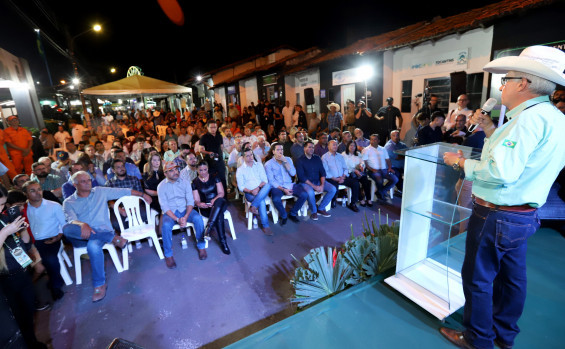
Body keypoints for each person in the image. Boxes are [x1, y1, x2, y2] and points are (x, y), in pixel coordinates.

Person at [440, 45, 565, 349]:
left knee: (478, 279)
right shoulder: (551, 117)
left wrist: (459, 162)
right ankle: (502, 336)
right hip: (522, 216)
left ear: (524, 82)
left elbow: (501, 171)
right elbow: (519, 158)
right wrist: (489, 128)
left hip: (496, 214)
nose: (501, 85)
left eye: (506, 79)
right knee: (512, 280)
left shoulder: (527, 120)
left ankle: (478, 340)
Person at [63, 171, 150, 302]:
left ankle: (99, 284)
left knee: (93, 247)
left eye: (88, 180)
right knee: (67, 229)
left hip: (100, 232)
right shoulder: (69, 202)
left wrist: (143, 194)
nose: (88, 183)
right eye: (83, 181)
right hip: (83, 234)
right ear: (75, 185)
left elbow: (123, 191)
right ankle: (113, 238)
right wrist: (83, 224)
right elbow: (71, 220)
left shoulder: (99, 191)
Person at [0, 185, 48, 349]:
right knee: (17, 318)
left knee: (29, 312)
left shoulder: (4, 218)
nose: (2, 208)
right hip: (6, 279)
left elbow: (25, 243)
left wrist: (22, 230)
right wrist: (5, 232)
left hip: (22, 271)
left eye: (4, 204)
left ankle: (32, 342)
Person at [158, 161, 206, 268]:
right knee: (165, 226)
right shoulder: (161, 186)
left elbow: (190, 202)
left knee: (198, 218)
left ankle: (201, 246)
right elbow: (164, 207)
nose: (175, 172)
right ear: (165, 173)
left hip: (185, 209)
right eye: (171, 170)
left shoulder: (185, 182)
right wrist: (177, 219)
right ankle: (168, 254)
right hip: (171, 212)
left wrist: (185, 217)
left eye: (176, 169)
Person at [23, 181, 66, 302]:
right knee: (24, 265)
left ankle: (55, 286)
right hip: (32, 243)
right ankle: (31, 291)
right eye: (32, 190)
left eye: (39, 189)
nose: (38, 193)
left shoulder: (53, 206)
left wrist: (58, 236)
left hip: (51, 239)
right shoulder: (24, 209)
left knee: (50, 259)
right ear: (25, 194)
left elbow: (64, 224)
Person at [192, 160, 230, 255]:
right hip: (207, 208)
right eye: (200, 170)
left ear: (208, 168)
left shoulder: (215, 177)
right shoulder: (195, 182)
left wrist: (214, 199)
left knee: (219, 201)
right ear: (197, 170)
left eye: (205, 169)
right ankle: (223, 242)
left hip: (219, 203)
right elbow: (196, 200)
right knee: (219, 215)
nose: (203, 172)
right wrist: (199, 204)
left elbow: (221, 193)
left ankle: (208, 228)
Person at [264, 142, 308, 224]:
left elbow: (292, 173)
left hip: (289, 184)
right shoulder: (268, 164)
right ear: (273, 151)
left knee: (304, 194)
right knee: (276, 199)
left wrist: (285, 161)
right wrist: (284, 189)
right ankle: (283, 215)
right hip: (278, 186)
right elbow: (271, 181)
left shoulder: (288, 159)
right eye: (278, 150)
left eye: (282, 149)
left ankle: (293, 213)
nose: (280, 152)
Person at [236, 147, 273, 236]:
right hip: (249, 193)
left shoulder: (259, 165)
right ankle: (265, 226)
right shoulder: (240, 170)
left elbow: (265, 180)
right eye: (247, 156)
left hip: (261, 190)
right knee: (262, 202)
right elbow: (241, 187)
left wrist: (257, 189)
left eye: (251, 155)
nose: (250, 157)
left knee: (268, 185)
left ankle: (253, 206)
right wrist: (251, 191)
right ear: (243, 157)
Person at [295, 140, 336, 220]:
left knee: (333, 189)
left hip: (317, 180)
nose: (311, 149)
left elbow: (323, 172)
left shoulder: (317, 158)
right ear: (304, 148)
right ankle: (314, 211)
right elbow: (301, 177)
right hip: (305, 183)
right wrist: (315, 187)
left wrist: (322, 185)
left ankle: (321, 208)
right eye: (309, 147)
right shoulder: (300, 160)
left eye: (313, 147)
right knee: (310, 192)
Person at [322, 140, 360, 212]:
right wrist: (335, 179)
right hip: (331, 178)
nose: (335, 146)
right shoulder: (324, 157)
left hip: (342, 177)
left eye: (336, 145)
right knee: (334, 187)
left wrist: (343, 176)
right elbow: (325, 172)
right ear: (328, 146)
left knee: (355, 183)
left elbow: (345, 168)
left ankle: (353, 203)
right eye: (333, 145)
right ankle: (333, 200)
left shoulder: (340, 156)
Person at [362, 134, 397, 204]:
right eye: (371, 139)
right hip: (372, 170)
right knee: (379, 178)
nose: (373, 141)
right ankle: (382, 195)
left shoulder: (383, 149)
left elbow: (388, 159)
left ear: (379, 141)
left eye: (375, 139)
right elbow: (365, 163)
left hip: (383, 170)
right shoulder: (366, 150)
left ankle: (380, 192)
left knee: (395, 179)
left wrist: (390, 167)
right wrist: (372, 169)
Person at [342, 140, 372, 207]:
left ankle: (368, 199)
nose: (353, 147)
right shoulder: (344, 155)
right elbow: (344, 167)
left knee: (366, 181)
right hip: (350, 173)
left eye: (354, 146)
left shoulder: (358, 154)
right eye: (351, 145)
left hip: (359, 171)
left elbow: (362, 162)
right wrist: (354, 170)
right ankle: (361, 199)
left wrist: (362, 166)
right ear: (348, 146)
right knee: (356, 183)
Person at [199, 120, 227, 192]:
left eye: (215, 127)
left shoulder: (219, 136)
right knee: (212, 178)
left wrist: (221, 157)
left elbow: (221, 147)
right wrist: (208, 153)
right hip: (209, 161)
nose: (213, 129)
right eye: (211, 127)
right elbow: (200, 150)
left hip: (219, 160)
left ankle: (224, 197)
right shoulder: (204, 137)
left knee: (222, 178)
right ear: (207, 128)